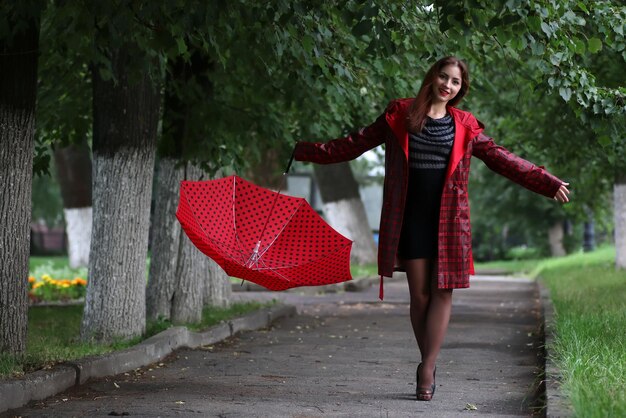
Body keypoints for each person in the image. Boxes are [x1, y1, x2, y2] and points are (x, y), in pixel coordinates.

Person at [293, 56, 570, 401]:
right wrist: (304, 151)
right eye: (444, 77)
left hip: (449, 222)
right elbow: (353, 144)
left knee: (443, 293)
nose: (448, 85)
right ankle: (429, 360)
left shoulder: (465, 126)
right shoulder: (399, 115)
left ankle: (427, 367)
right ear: (433, 76)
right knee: (420, 295)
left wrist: (546, 181)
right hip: (409, 218)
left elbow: (503, 159)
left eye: (455, 82)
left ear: (460, 90)